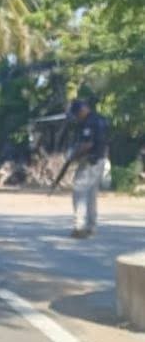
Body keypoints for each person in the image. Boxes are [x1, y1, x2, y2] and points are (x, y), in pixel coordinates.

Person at [67, 98, 109, 239]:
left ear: (82, 110)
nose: (77, 117)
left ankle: (80, 226)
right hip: (100, 159)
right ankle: (91, 227)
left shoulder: (89, 123)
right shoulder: (100, 119)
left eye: (77, 113)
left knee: (79, 192)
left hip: (90, 161)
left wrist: (74, 155)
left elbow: (87, 144)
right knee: (91, 195)